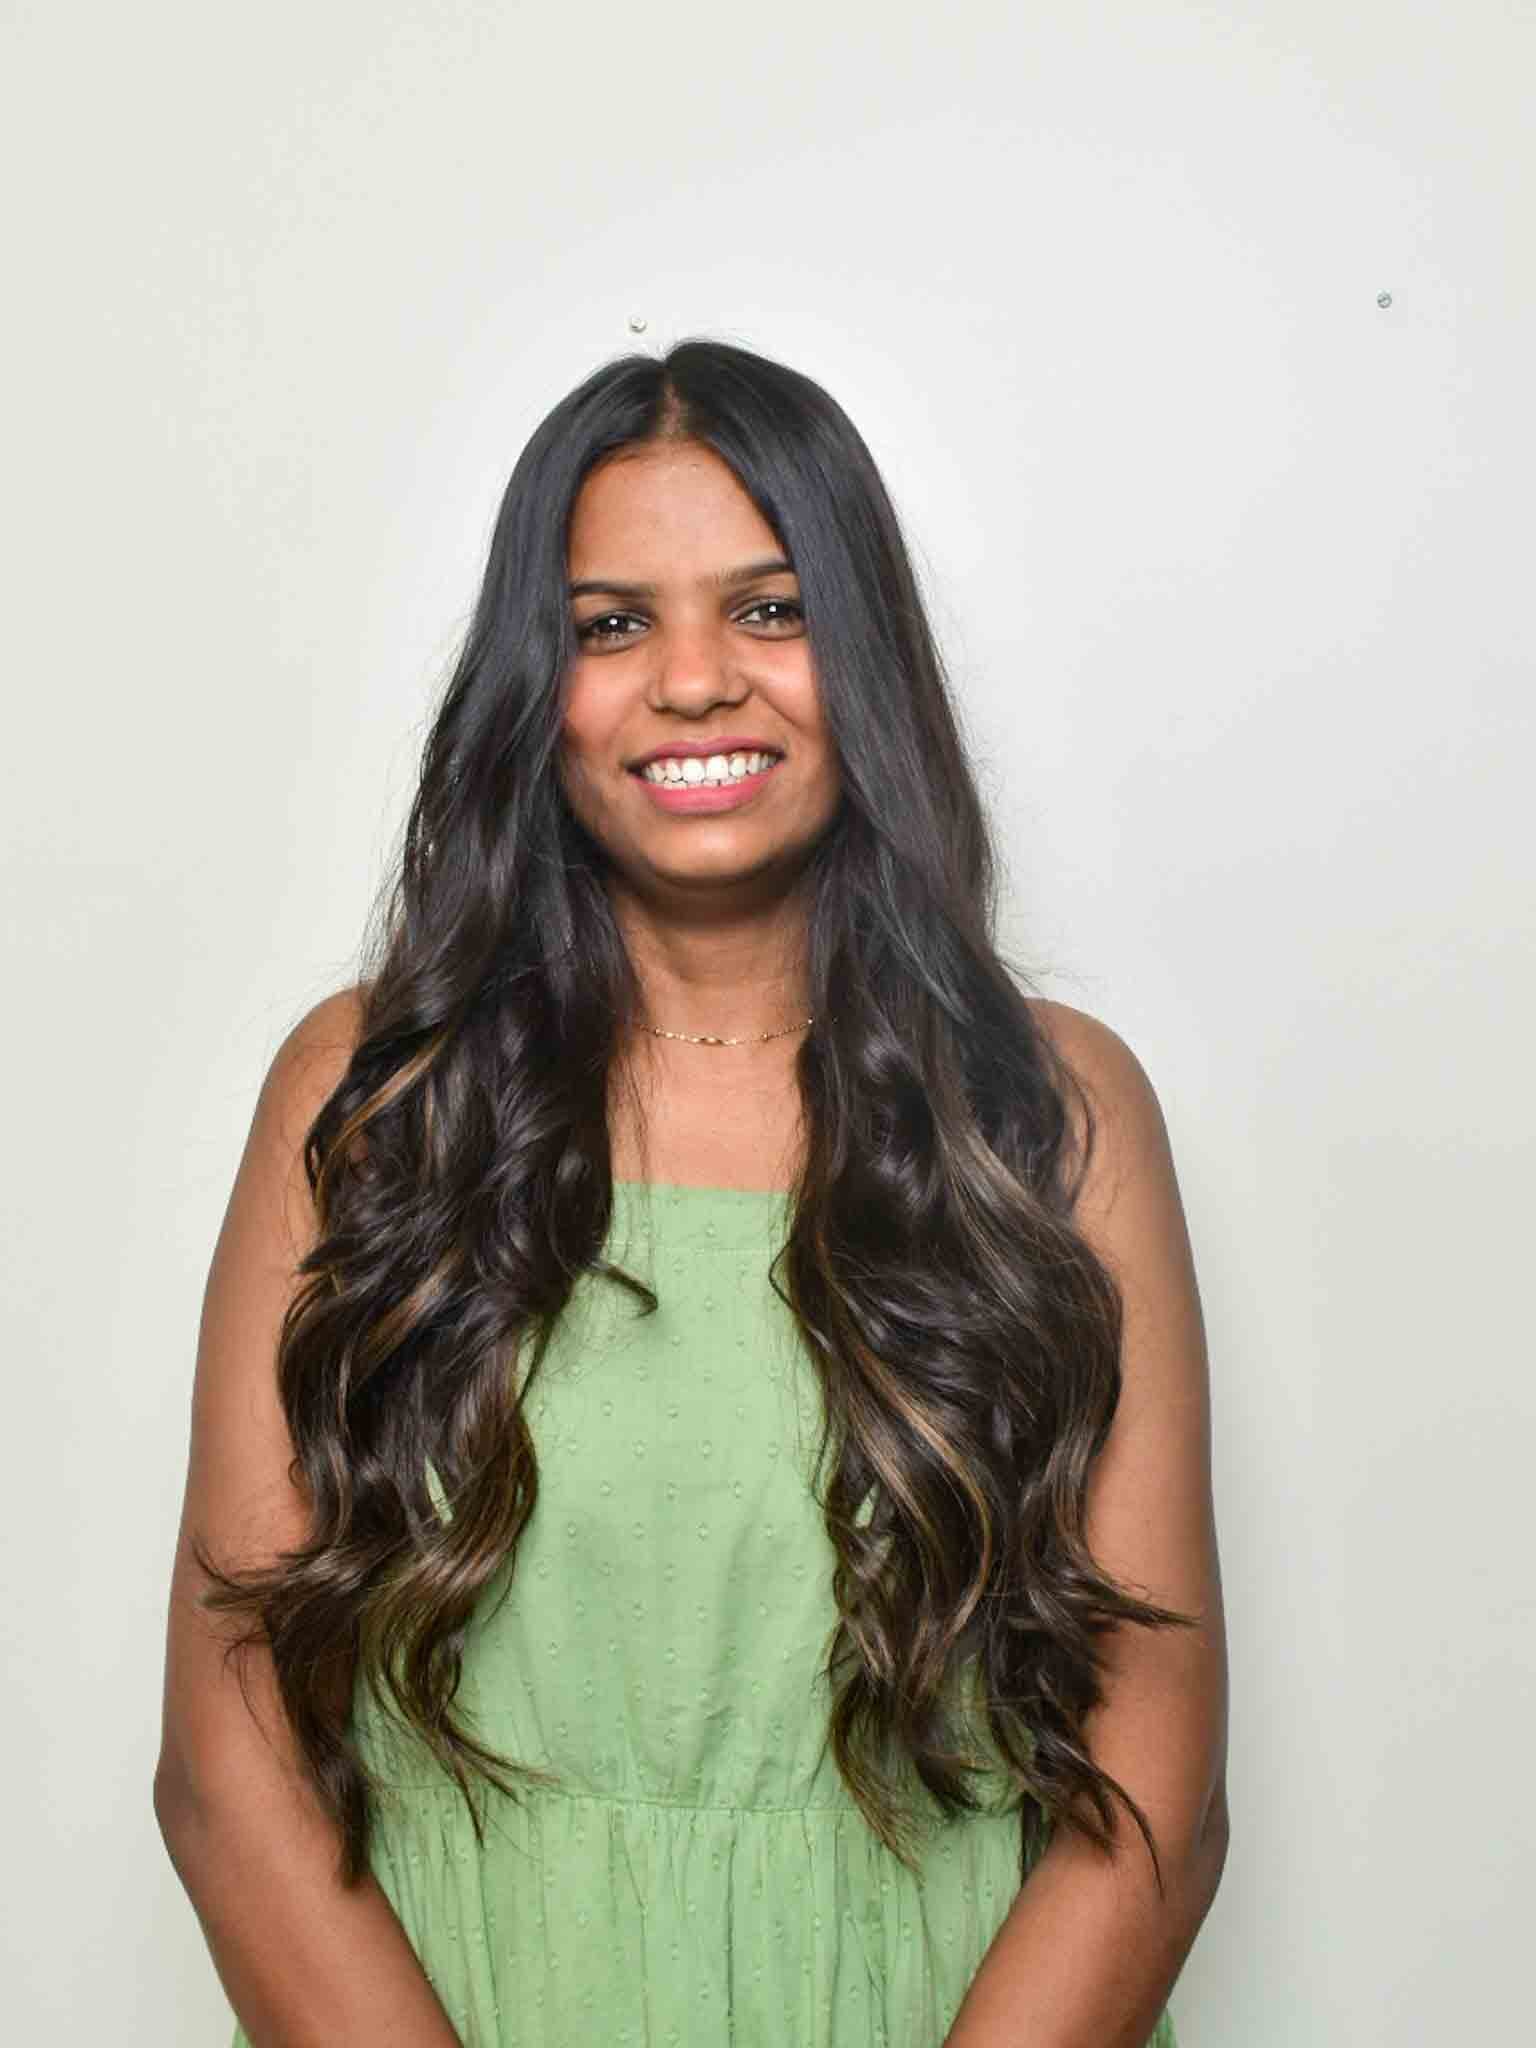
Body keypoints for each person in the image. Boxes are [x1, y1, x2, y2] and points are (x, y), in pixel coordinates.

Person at [155, 337, 1228, 2047]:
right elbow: (229, 1757)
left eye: (772, 609)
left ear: (866, 657)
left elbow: (1154, 1759)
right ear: (537, 688)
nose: (696, 681)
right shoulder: (373, 1094)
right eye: (610, 625)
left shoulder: (1052, 1112)